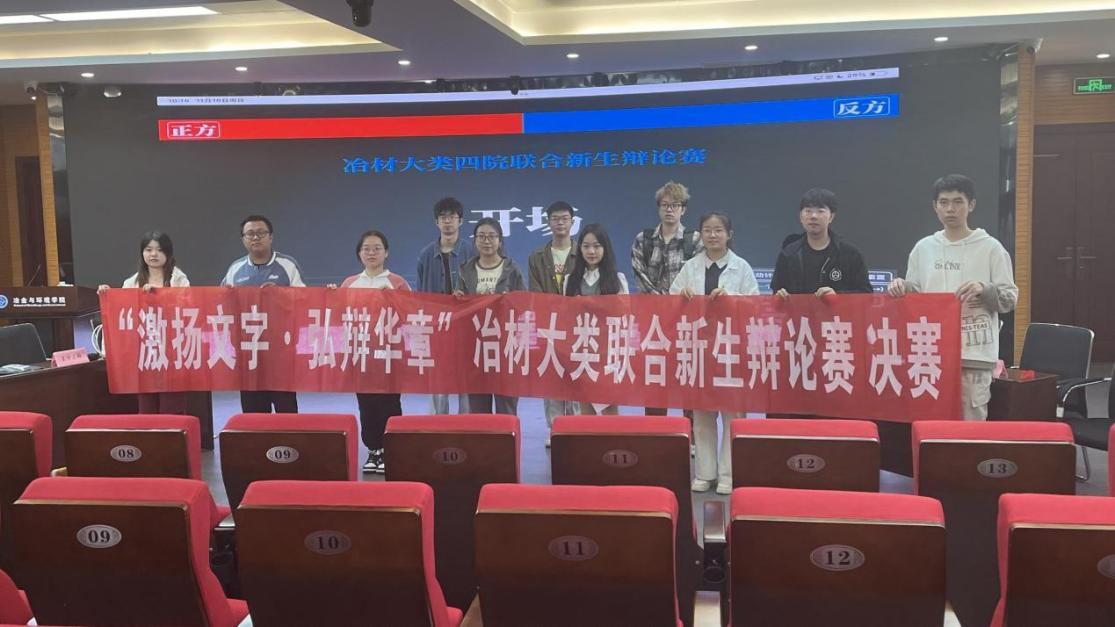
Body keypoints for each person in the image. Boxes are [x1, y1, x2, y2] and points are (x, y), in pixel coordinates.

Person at [888, 174, 1018, 420]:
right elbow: (915, 293)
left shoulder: (990, 248)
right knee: (930, 421)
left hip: (974, 354)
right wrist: (901, 287)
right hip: (930, 352)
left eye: (958, 202)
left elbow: (1009, 299)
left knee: (970, 422)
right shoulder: (924, 248)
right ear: (935, 206)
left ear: (971, 205)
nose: (950, 209)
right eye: (944, 202)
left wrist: (985, 289)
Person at [671, 212, 759, 495]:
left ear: (729, 234)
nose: (712, 235)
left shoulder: (741, 267)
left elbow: (754, 306)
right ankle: (704, 473)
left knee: (733, 416)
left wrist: (732, 300)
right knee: (702, 415)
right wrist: (681, 296)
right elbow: (670, 301)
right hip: (699, 350)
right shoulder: (690, 267)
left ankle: (728, 474)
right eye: (707, 230)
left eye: (718, 230)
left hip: (731, 350)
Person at [334, 230, 409, 474]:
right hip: (362, 356)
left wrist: (394, 300)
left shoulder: (397, 282)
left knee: (390, 404)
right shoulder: (350, 283)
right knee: (366, 405)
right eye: (366, 249)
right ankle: (374, 450)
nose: (371, 253)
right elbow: (338, 316)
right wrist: (331, 296)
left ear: (386, 253)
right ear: (359, 254)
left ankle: (392, 450)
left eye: (377, 248)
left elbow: (410, 315)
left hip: (389, 356)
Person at [631, 181, 704, 416]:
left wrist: (675, 302)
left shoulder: (695, 240)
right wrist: (662, 302)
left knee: (688, 374)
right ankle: (655, 428)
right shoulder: (643, 239)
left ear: (684, 209)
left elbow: (697, 276)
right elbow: (639, 274)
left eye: (675, 205)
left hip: (686, 320)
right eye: (664, 205)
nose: (669, 210)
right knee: (655, 375)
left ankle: (690, 430)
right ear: (658, 208)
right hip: (653, 320)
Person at [98, 231, 190, 414]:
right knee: (146, 406)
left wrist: (160, 296)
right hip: (144, 352)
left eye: (159, 250)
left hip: (171, 351)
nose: (153, 254)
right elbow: (122, 314)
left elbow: (187, 310)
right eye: (148, 250)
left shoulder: (179, 279)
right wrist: (108, 294)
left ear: (168, 253)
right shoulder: (131, 282)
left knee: (171, 407)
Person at [221, 214, 304, 413]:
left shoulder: (288, 265)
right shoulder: (235, 269)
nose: (256, 237)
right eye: (250, 234)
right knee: (253, 412)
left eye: (261, 233)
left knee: (286, 409)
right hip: (248, 350)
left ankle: (287, 434)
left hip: (280, 350)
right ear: (243, 239)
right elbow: (222, 303)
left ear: (271, 237)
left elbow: (304, 299)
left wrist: (281, 295)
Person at [456, 218, 525, 416]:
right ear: (475, 240)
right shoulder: (465, 270)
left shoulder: (512, 269)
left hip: (505, 346)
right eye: (481, 236)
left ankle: (508, 437)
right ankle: (482, 437)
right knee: (478, 408)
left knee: (507, 406)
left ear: (500, 240)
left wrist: (511, 301)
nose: (486, 241)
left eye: (491, 236)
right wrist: (457, 298)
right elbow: (459, 307)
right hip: (476, 347)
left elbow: (524, 304)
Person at [528, 201, 580, 443]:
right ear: (548, 223)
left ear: (572, 222)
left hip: (578, 326)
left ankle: (576, 426)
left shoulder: (582, 252)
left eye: (564, 218)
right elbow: (535, 291)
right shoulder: (537, 256)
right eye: (555, 219)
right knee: (552, 377)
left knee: (577, 376)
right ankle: (555, 428)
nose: (560, 223)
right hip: (549, 325)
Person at [565, 223, 629, 416]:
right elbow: (565, 317)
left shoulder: (617, 279)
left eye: (597, 246)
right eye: (586, 246)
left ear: (605, 248)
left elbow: (625, 315)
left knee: (610, 408)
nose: (591, 251)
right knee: (586, 406)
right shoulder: (570, 280)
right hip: (583, 349)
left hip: (607, 351)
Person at [416, 197, 472, 415]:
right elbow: (420, 293)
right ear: (436, 222)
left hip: (466, 325)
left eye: (452, 217)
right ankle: (438, 424)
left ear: (461, 221)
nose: (447, 221)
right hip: (436, 325)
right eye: (443, 217)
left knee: (467, 379)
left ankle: (467, 424)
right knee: (438, 380)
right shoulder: (426, 255)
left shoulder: (471, 251)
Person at [771, 188, 872, 298]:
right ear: (800, 216)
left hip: (837, 310)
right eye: (808, 211)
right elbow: (776, 291)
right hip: (800, 310)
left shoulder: (850, 254)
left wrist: (838, 296)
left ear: (831, 217)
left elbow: (866, 294)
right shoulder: (789, 254)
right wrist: (780, 295)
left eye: (820, 211)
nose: (813, 216)